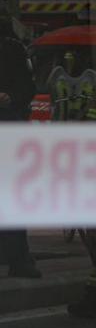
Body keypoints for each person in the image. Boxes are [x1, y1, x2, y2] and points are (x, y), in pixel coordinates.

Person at [0, 15, 39, 279]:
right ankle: (19, 259)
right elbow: (28, 88)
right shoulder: (14, 49)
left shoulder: (12, 49)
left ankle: (18, 258)